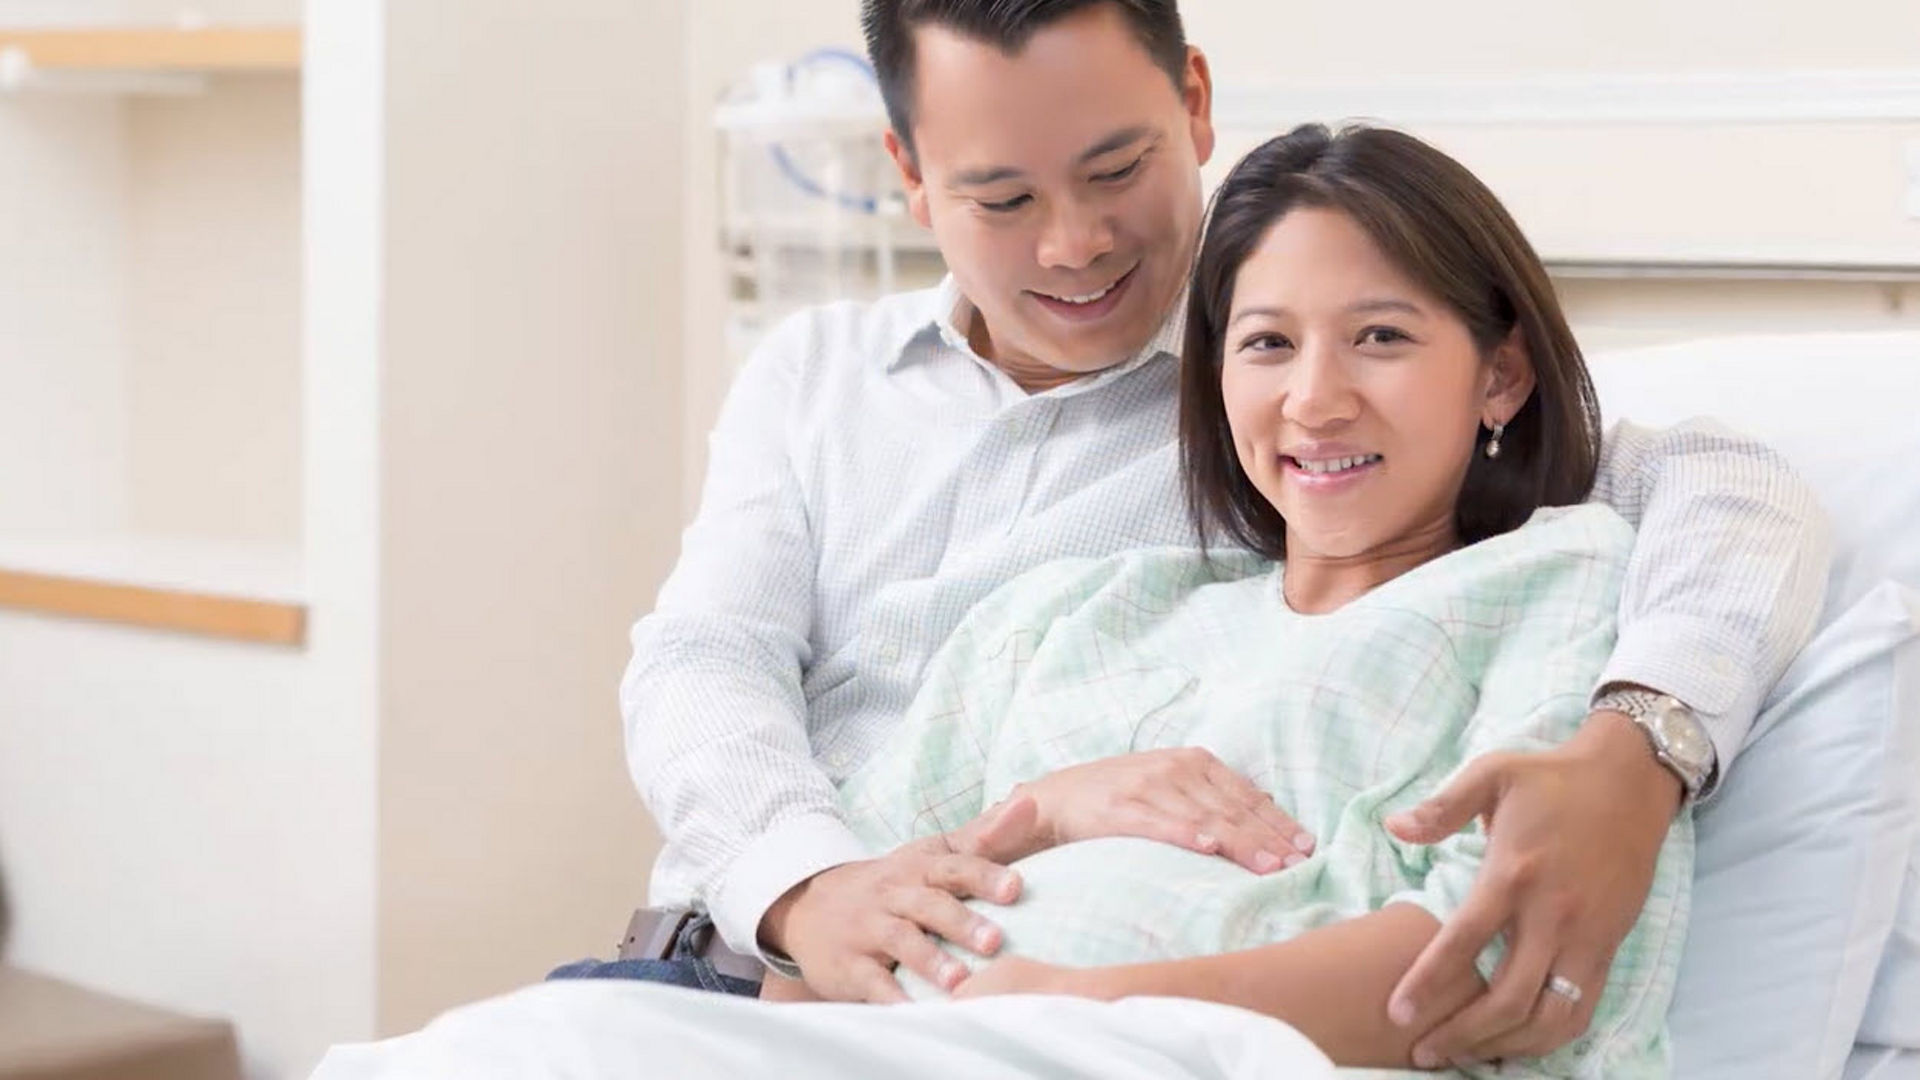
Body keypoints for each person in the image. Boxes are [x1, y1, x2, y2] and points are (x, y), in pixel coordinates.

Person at [597, 0, 1829, 1066]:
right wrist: (813, 892)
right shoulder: (818, 376)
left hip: (971, 1016)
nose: (1074, 243)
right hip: (718, 965)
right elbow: (704, 661)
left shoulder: (1301, 405)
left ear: (1193, 103)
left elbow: (1725, 487)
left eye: (1117, 169)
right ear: (911, 174)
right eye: (1003, 196)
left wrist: (1641, 746)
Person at [812, 121, 1689, 1077]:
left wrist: (1078, 1015)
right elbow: (817, 952)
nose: (1314, 400)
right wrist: (1045, 812)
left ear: (1502, 376)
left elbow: (1484, 954)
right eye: (1268, 342)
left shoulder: (1556, 582)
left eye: (1380, 337)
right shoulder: (1074, 616)